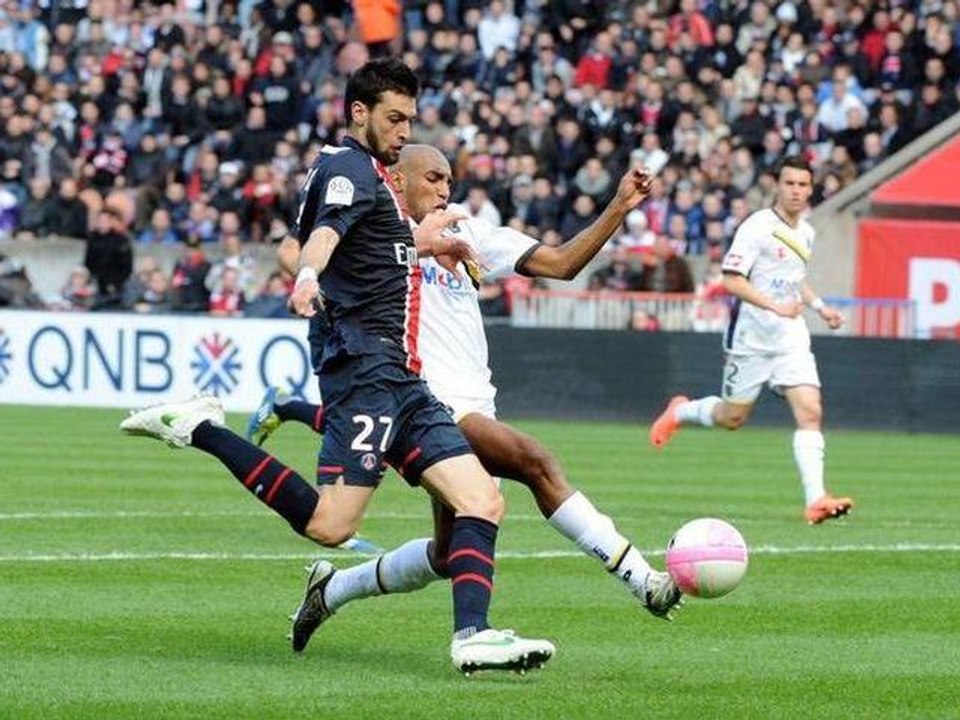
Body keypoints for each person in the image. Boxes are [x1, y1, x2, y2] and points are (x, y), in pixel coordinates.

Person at [120, 58, 552, 676]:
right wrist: (306, 275)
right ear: (360, 112)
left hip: (406, 379)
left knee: (482, 500)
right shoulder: (348, 168)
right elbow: (325, 235)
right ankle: (200, 429)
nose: (404, 131)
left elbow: (379, 246)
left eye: (410, 118)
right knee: (330, 525)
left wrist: (434, 242)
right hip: (365, 373)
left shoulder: (374, 178)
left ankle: (472, 637)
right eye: (394, 118)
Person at [252, 144, 680, 637]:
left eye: (449, 181)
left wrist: (619, 207)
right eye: (432, 178)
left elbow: (562, 263)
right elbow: (293, 250)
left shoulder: (467, 232)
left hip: (475, 401)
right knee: (534, 460)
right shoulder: (371, 233)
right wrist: (349, 266)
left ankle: (332, 590)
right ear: (398, 179)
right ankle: (642, 580)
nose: (444, 190)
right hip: (420, 399)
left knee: (448, 555)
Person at [648, 156, 854, 525]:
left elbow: (794, 278)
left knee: (811, 411)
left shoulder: (806, 231)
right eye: (789, 183)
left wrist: (820, 308)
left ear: (810, 190)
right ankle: (680, 411)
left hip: (790, 337)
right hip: (752, 339)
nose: (796, 191)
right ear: (777, 185)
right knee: (732, 417)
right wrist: (775, 306)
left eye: (803, 185)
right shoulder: (756, 227)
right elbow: (732, 279)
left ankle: (816, 499)